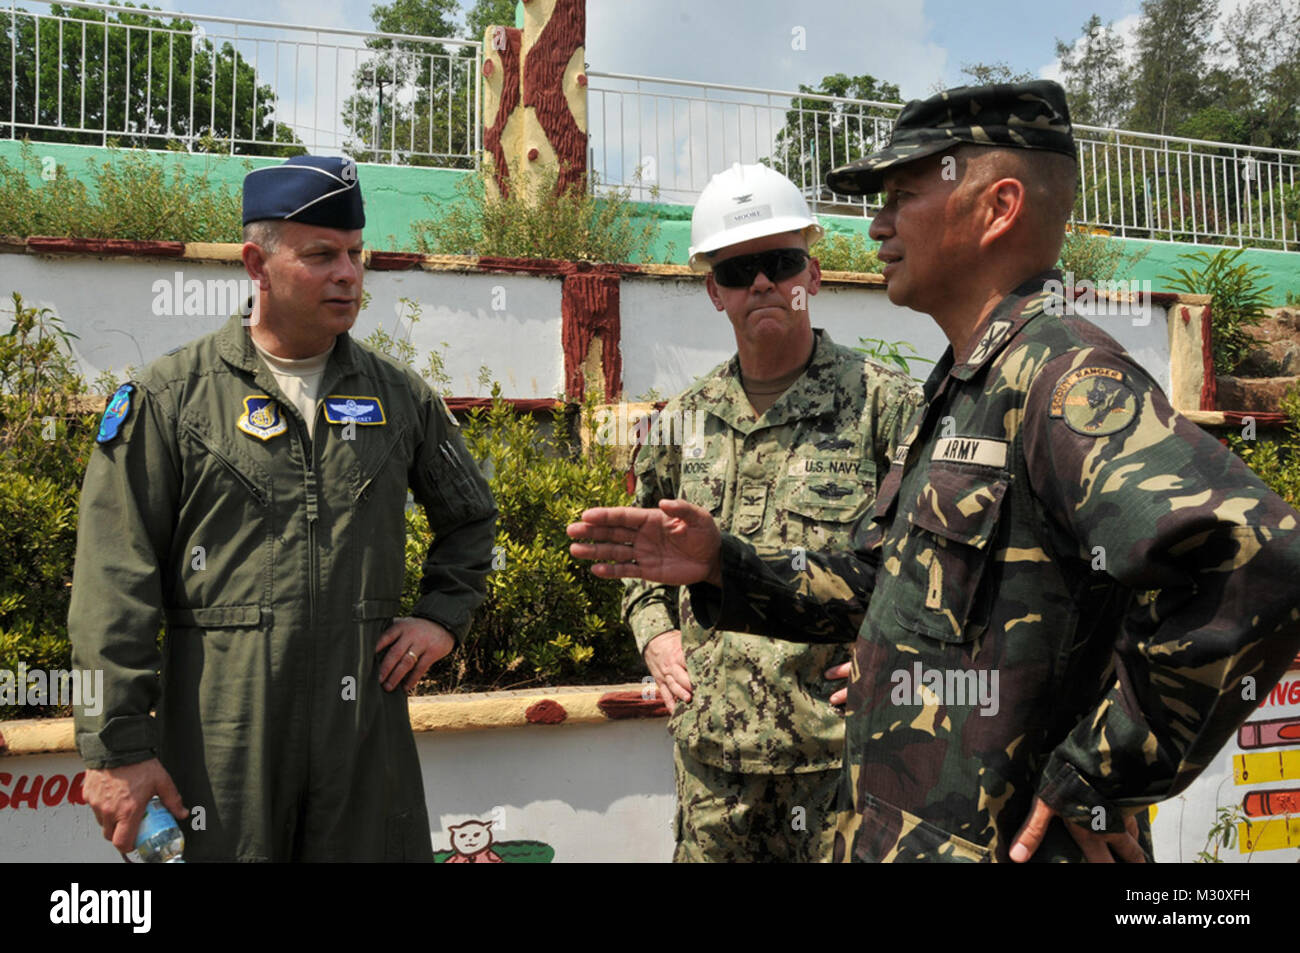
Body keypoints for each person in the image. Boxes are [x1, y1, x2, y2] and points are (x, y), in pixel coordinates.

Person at [568, 81, 1300, 863]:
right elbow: (884, 582)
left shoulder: (1063, 380)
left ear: (997, 206)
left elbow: (1259, 555)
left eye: (901, 195)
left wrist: (1103, 770)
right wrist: (726, 565)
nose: (876, 225)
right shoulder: (968, 383)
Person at [68, 155, 498, 861]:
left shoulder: (401, 399)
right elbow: (112, 582)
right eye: (322, 254)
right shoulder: (171, 399)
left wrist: (442, 616)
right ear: (256, 264)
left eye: (357, 254)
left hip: (364, 747)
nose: (349, 274)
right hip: (221, 744)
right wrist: (116, 749)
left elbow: (471, 518)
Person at [626, 163, 921, 862]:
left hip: (842, 763)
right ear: (713, 291)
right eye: (738, 270)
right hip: (712, 764)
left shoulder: (887, 407)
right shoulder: (681, 422)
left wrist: (897, 653)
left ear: (812, 276)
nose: (760, 283)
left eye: (780, 262)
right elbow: (640, 561)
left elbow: (930, 569)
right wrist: (655, 636)